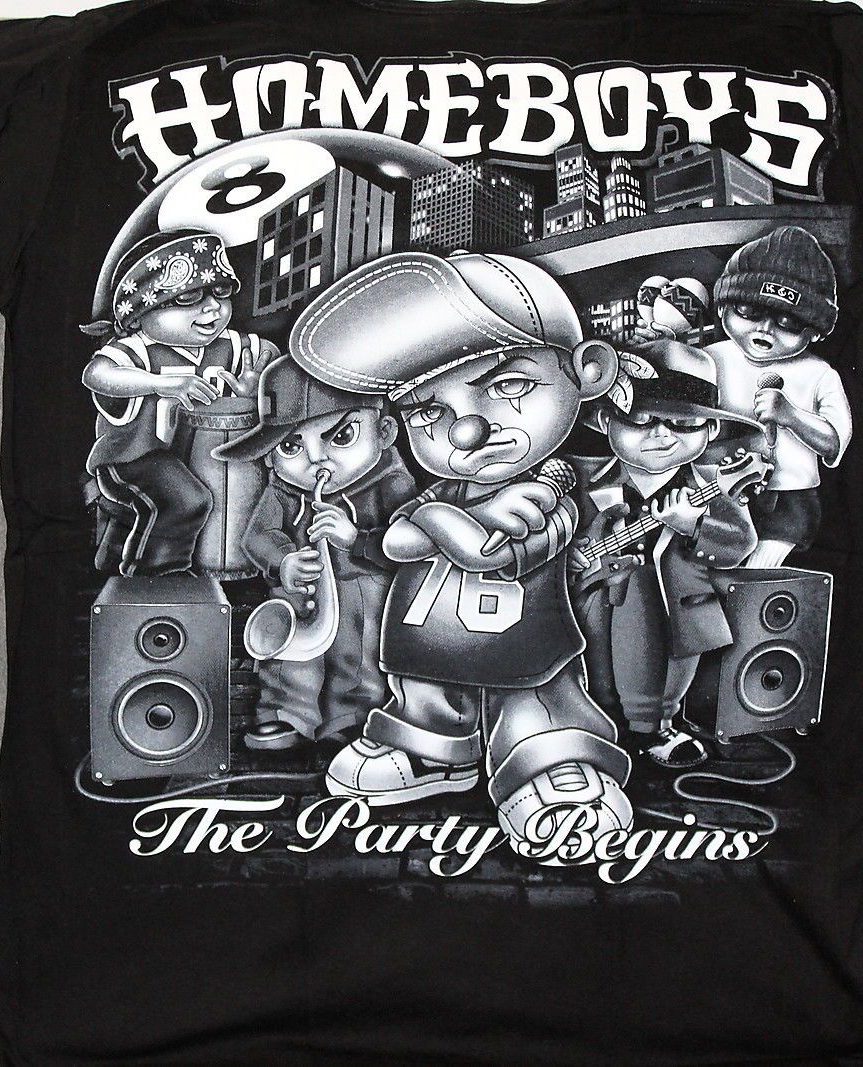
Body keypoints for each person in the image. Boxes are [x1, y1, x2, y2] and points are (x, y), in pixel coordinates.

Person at [291, 249, 635, 863]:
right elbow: (397, 544)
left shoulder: (549, 493)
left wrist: (432, 523)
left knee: (534, 708)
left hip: (523, 655)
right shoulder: (442, 494)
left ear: (587, 371)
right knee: (423, 695)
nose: (465, 430)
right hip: (425, 650)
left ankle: (550, 765)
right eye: (429, 411)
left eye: (507, 386)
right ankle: (433, 750)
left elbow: (484, 553)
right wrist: (386, 531)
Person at [573, 339, 760, 769]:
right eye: (640, 420)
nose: (661, 435)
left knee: (665, 675)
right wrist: (573, 554)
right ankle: (596, 725)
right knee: (593, 666)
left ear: (710, 431)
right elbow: (562, 531)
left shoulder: (712, 486)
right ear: (605, 421)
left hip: (677, 607)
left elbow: (740, 542)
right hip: (594, 604)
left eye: (683, 423)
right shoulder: (584, 480)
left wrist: (694, 525)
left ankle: (656, 729)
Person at [213, 358, 417, 750]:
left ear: (385, 432)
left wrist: (355, 538)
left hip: (366, 591)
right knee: (289, 657)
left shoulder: (392, 483)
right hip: (301, 591)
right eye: (291, 447)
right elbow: (257, 536)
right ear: (269, 456)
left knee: (360, 654)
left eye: (341, 436)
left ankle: (352, 717)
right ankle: (285, 714)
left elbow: (408, 543)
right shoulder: (283, 490)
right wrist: (283, 561)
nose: (315, 460)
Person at [80, 228, 278, 575]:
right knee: (187, 501)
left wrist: (257, 385)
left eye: (221, 291)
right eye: (189, 297)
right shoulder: (137, 350)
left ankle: (115, 560)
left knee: (203, 496)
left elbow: (272, 357)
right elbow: (97, 374)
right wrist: (161, 384)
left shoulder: (230, 345)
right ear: (140, 312)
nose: (212, 307)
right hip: (131, 458)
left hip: (191, 459)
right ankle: (158, 578)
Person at [705, 225, 852, 567]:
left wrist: (791, 417)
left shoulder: (819, 373)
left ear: (814, 332)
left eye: (787, 321)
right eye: (749, 311)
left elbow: (835, 443)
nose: (765, 329)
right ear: (723, 307)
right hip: (718, 495)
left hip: (787, 503)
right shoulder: (709, 359)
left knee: (755, 578)